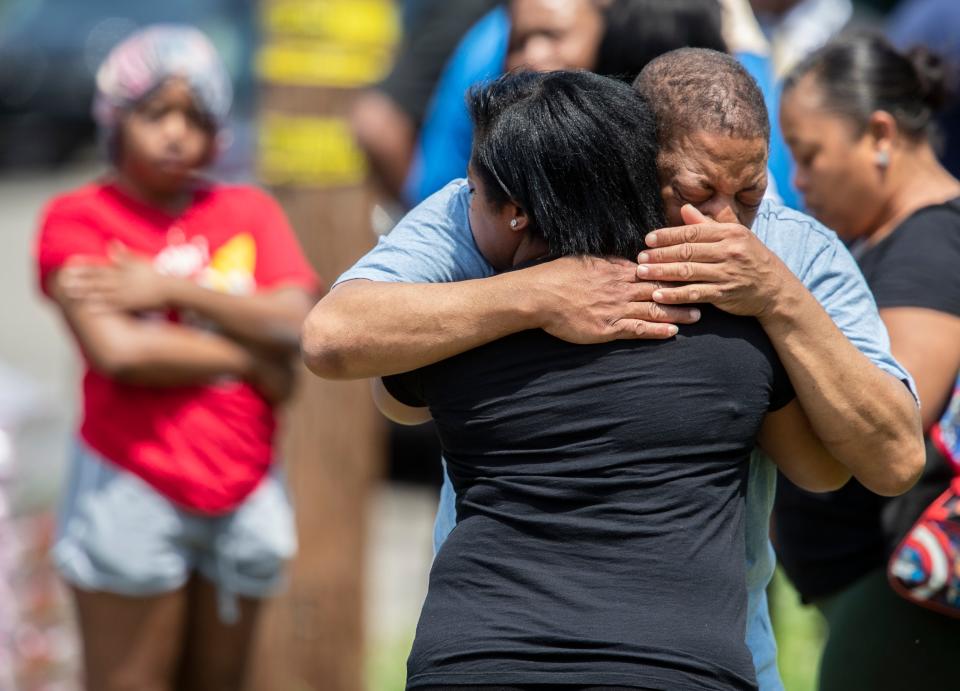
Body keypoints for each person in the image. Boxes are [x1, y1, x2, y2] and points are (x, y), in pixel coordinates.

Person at [303, 49, 924, 690]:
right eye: (695, 193)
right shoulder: (483, 212)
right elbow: (333, 337)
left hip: (697, 649)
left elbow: (890, 461)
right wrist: (542, 294)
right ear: (631, 158)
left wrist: (778, 296)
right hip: (509, 646)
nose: (724, 223)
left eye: (749, 195)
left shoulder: (787, 251)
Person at [33, 26, 319, 690]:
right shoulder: (78, 218)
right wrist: (255, 362)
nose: (174, 133)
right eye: (154, 111)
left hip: (245, 485)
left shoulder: (248, 209)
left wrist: (168, 288)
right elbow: (121, 351)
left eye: (195, 116)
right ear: (114, 118)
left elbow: (299, 320)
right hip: (134, 481)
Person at [778, 33, 960, 690]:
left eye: (808, 155)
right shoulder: (899, 238)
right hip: (875, 591)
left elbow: (891, 425)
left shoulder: (930, 247)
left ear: (880, 134)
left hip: (898, 593)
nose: (797, 182)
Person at [405, 0, 726, 205]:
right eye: (519, 41)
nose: (532, 56)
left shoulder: (662, 49)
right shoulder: (485, 54)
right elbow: (437, 194)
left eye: (553, 36)